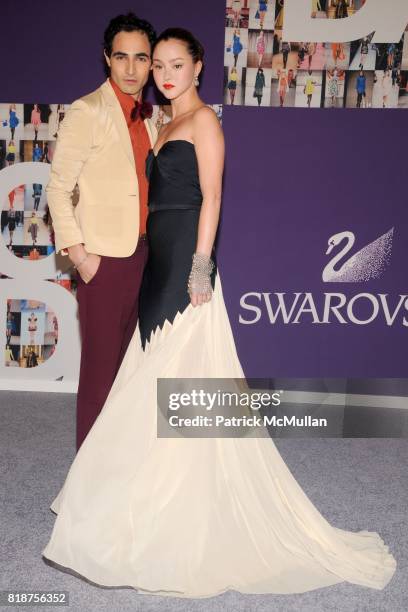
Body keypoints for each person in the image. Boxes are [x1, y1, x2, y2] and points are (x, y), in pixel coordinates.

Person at [42, 27, 396, 599]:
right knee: (144, 381)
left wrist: (202, 266)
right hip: (155, 265)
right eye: (158, 64)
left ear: (200, 67)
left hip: (185, 266)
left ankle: (173, 512)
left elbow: (212, 197)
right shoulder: (160, 125)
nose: (163, 73)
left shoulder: (205, 122)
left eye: (175, 64)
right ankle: (123, 500)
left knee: (179, 381)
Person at [45, 12, 158, 451]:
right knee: (99, 377)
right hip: (105, 263)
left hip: (146, 258)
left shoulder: (150, 117)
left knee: (131, 374)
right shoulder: (87, 111)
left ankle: (118, 477)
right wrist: (80, 256)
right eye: (122, 57)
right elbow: (58, 188)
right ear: (106, 59)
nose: (131, 69)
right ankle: (86, 493)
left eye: (141, 58)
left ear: (151, 63)